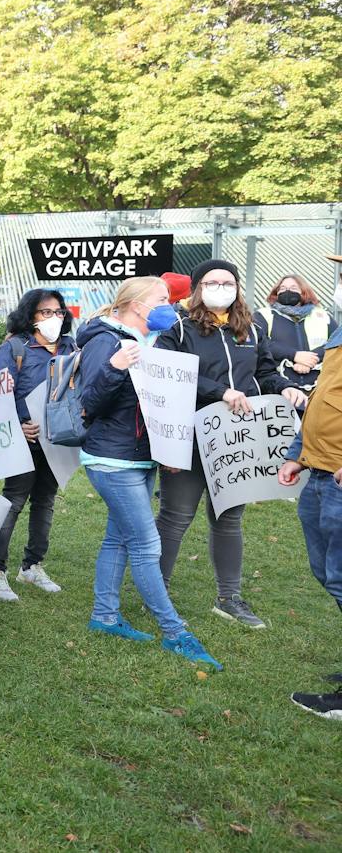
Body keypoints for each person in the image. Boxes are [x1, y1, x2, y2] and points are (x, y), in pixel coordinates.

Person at [76, 276, 220, 669]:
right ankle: (175, 632)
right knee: (145, 544)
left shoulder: (145, 343)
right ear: (137, 305)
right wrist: (114, 367)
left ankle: (104, 615)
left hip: (138, 457)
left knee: (118, 539)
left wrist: (166, 448)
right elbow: (89, 402)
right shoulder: (106, 342)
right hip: (113, 459)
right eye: (161, 300)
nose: (169, 307)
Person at [154, 259, 306, 629]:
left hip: (236, 441)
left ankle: (230, 597)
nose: (221, 287)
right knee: (175, 517)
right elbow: (168, 374)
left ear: (238, 287)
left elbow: (265, 372)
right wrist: (218, 391)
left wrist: (282, 386)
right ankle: (155, 593)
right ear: (197, 288)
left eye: (228, 282)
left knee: (229, 518)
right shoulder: (177, 327)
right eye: (212, 282)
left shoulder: (252, 327)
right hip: (189, 436)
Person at [0, 288, 77, 602]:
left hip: (58, 441)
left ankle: (32, 565)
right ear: (30, 315)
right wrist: (20, 422)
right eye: (45, 312)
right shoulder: (15, 347)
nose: (53, 318)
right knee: (14, 502)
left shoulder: (70, 346)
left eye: (58, 312)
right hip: (24, 440)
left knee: (45, 503)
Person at [279, 254, 342, 720]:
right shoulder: (339, 331)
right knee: (329, 573)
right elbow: (324, 396)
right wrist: (298, 453)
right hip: (320, 471)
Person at [255, 273, 335, 395]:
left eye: (293, 288)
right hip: (278, 390)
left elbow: (336, 343)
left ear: (304, 292)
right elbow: (258, 343)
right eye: (282, 288)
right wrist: (294, 355)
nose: (287, 291)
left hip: (319, 389)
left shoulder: (324, 316)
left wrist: (312, 358)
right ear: (276, 293)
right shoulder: (263, 315)